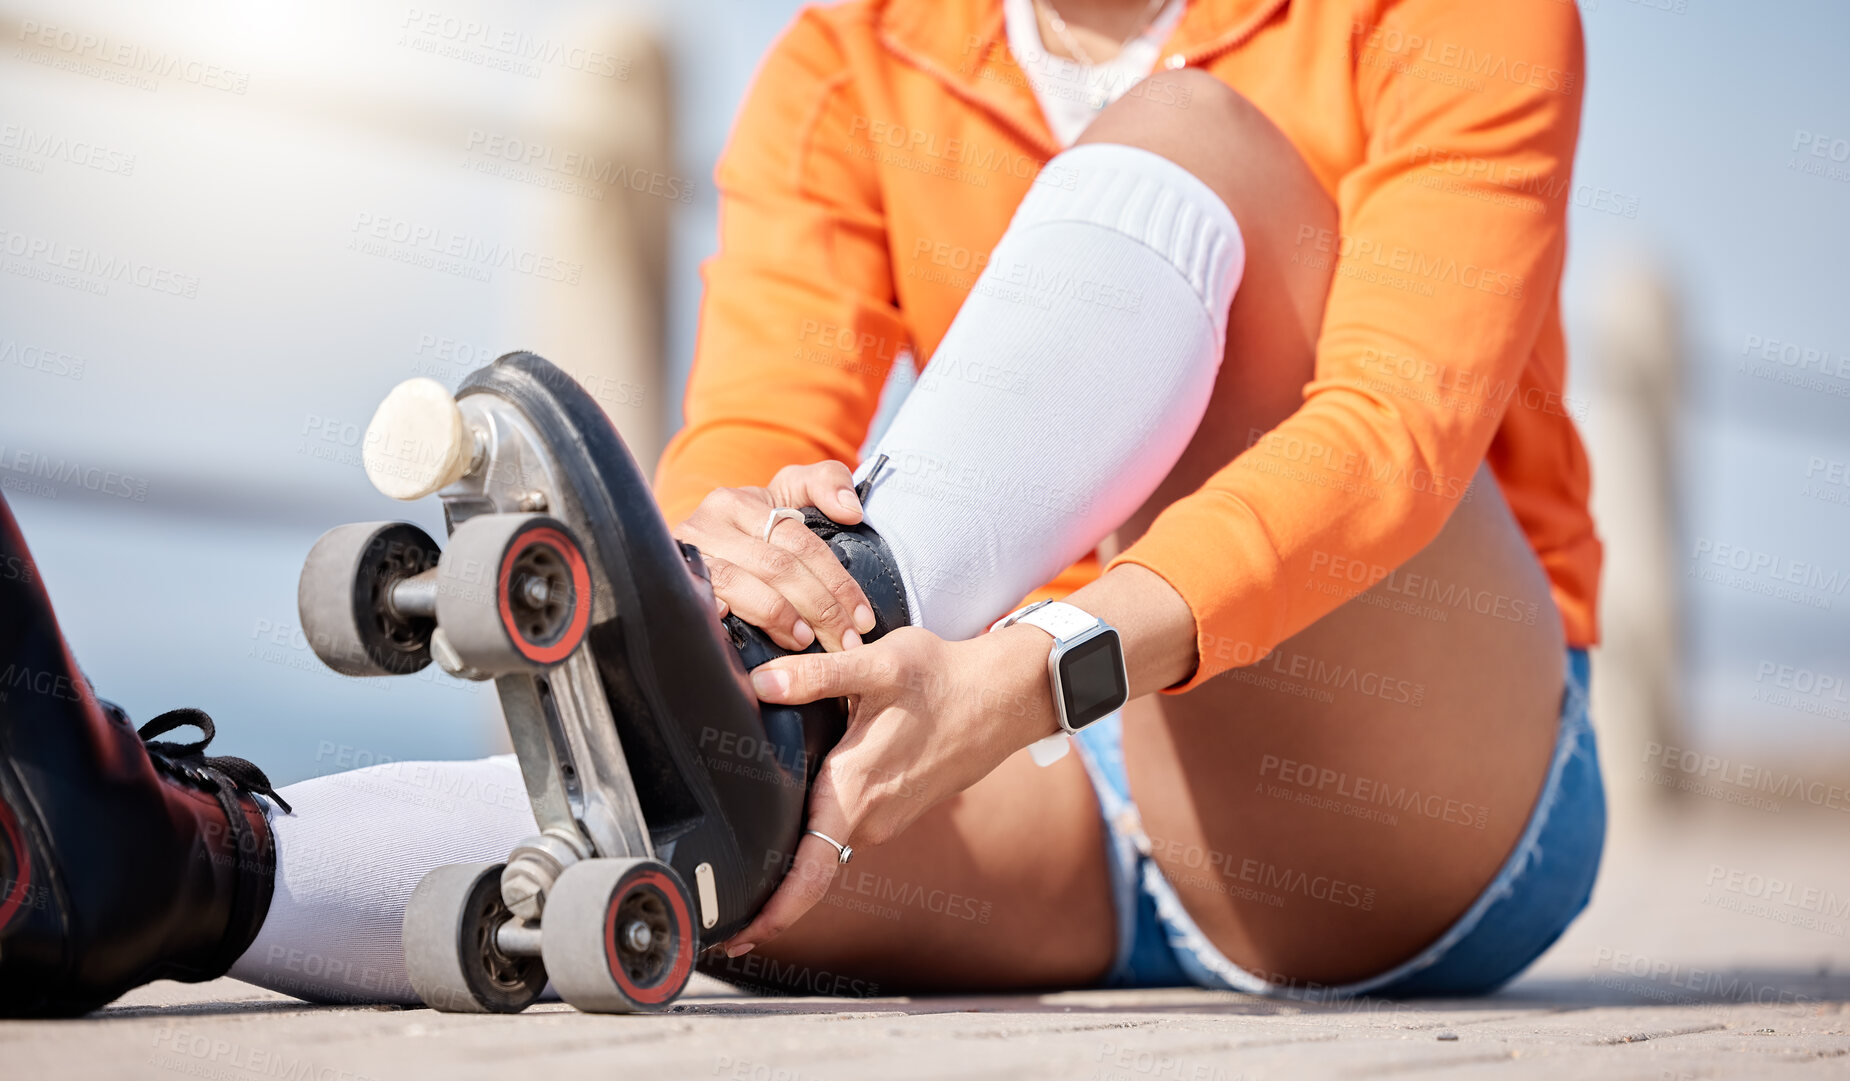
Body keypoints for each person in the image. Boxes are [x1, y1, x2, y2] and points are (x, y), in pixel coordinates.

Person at [0, 0, 1601, 1012]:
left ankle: (768, 693)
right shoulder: (851, 54)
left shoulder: (1454, 16)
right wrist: (744, 545)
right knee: (727, 855)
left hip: (1410, 783)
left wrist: (1032, 662)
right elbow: (751, 434)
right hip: (1069, 805)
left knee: (1188, 138)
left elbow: (1393, 438)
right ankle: (166, 871)